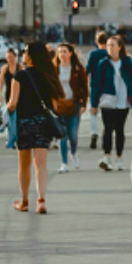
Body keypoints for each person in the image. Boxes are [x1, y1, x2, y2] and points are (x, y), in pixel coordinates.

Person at [3, 41, 60, 213]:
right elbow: (55, 104)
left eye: (26, 51)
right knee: (41, 163)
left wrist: (5, 112)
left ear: (31, 55)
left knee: (24, 164)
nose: (24, 54)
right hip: (43, 123)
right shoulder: (49, 74)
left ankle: (25, 201)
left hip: (24, 123)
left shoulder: (20, 76)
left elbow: (12, 104)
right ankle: (41, 200)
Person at [91, 35, 132, 171]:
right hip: (107, 100)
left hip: (123, 101)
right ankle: (106, 157)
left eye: (113, 45)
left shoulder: (127, 63)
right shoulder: (103, 63)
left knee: (119, 130)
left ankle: (119, 158)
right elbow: (96, 84)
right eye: (108, 45)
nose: (110, 48)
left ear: (119, 47)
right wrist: (94, 104)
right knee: (107, 129)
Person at [52, 43, 87, 173]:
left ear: (70, 53)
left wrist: (83, 104)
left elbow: (84, 88)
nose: (62, 54)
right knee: (62, 135)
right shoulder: (54, 68)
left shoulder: (77, 68)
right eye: (60, 52)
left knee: (73, 134)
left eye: (64, 51)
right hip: (59, 106)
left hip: (74, 105)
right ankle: (64, 163)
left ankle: (73, 153)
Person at [85, 30, 111, 150]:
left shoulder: (93, 54)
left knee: (93, 111)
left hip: (95, 84)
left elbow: (88, 70)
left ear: (97, 41)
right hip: (108, 85)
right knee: (107, 111)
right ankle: (106, 132)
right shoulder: (110, 53)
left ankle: (94, 132)